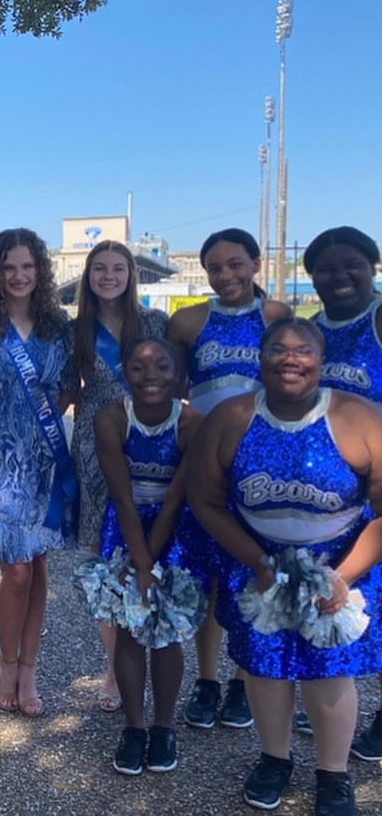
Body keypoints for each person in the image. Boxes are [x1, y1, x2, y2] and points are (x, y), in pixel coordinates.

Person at [188, 318, 382, 815]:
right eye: (278, 349)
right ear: (260, 357)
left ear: (322, 359)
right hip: (258, 559)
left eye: (303, 350)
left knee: (328, 670)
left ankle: (333, 774)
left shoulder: (359, 416)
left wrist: (344, 576)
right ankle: (275, 758)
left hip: (338, 559)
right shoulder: (232, 417)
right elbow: (205, 499)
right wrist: (257, 561)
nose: (290, 359)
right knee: (266, 666)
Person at [167, 228, 292, 730]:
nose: (225, 276)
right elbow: (168, 385)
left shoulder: (277, 316)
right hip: (206, 462)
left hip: (262, 463)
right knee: (209, 575)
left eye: (235, 264)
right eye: (215, 268)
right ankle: (207, 679)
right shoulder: (188, 320)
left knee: (252, 569)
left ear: (256, 264)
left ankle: (243, 678)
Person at [0, 228, 73, 718]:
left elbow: (69, 385)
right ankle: (5, 662)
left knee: (39, 564)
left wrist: (46, 417)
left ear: (40, 271)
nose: (18, 275)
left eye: (27, 266)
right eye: (9, 267)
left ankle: (29, 668)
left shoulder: (59, 327)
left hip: (44, 455)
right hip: (0, 456)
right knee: (16, 569)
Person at [60, 240, 168, 712]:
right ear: (88, 276)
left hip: (151, 442)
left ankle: (157, 655)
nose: (109, 276)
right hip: (94, 445)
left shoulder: (156, 323)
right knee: (106, 560)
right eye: (99, 268)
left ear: (131, 274)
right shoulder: (75, 331)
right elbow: (65, 389)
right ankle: (114, 669)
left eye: (118, 268)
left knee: (152, 551)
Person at [89, 338, 203, 775]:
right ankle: (134, 728)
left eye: (161, 366)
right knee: (130, 627)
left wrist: (151, 565)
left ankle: (164, 727)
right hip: (125, 527)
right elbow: (121, 497)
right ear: (125, 373)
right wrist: (138, 564)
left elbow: (175, 501)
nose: (150, 375)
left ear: (178, 375)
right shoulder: (110, 418)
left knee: (167, 631)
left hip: (173, 531)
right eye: (138, 367)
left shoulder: (192, 422)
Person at [304, 225, 382, 760]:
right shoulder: (310, 331)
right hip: (331, 490)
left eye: (351, 264)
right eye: (327, 268)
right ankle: (330, 705)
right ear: (312, 277)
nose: (340, 276)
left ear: (372, 265)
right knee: (340, 598)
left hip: (377, 476)